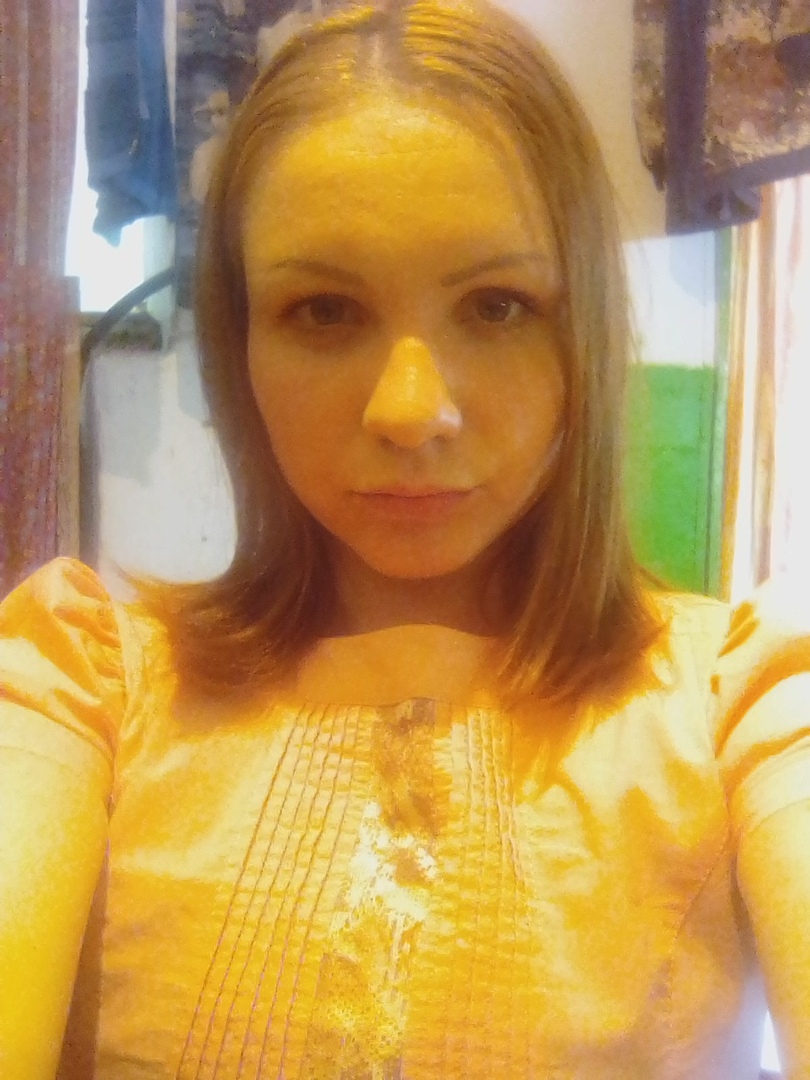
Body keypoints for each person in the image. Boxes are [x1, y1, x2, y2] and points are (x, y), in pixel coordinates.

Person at [1, 1, 809, 1077]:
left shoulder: (742, 701)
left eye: (498, 305)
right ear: (241, 341)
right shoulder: (82, 686)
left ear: (585, 330)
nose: (410, 411)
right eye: (325, 312)